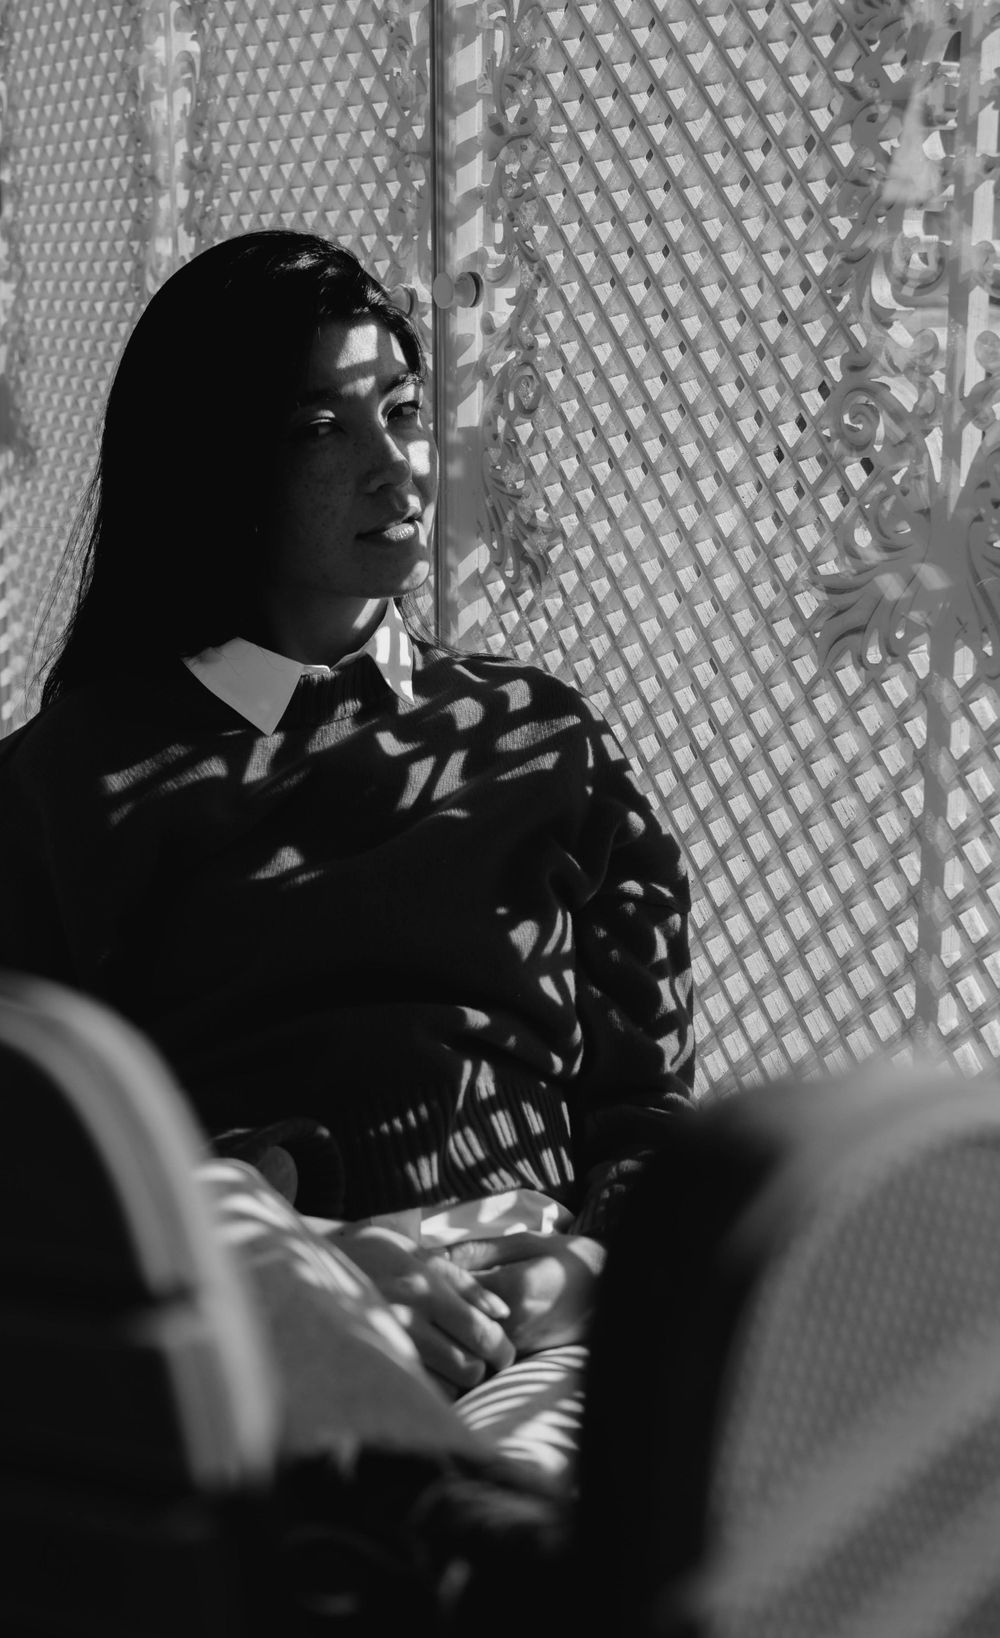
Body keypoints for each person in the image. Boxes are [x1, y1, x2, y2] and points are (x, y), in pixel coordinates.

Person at [0, 228, 694, 1424]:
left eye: (405, 410)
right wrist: (292, 1264)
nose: (398, 467)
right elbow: (43, 1170)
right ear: (216, 468)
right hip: (249, 1310)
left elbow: (641, 1106)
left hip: (545, 1327)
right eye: (323, 427)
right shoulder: (71, 784)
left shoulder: (537, 739)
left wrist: (594, 1267)